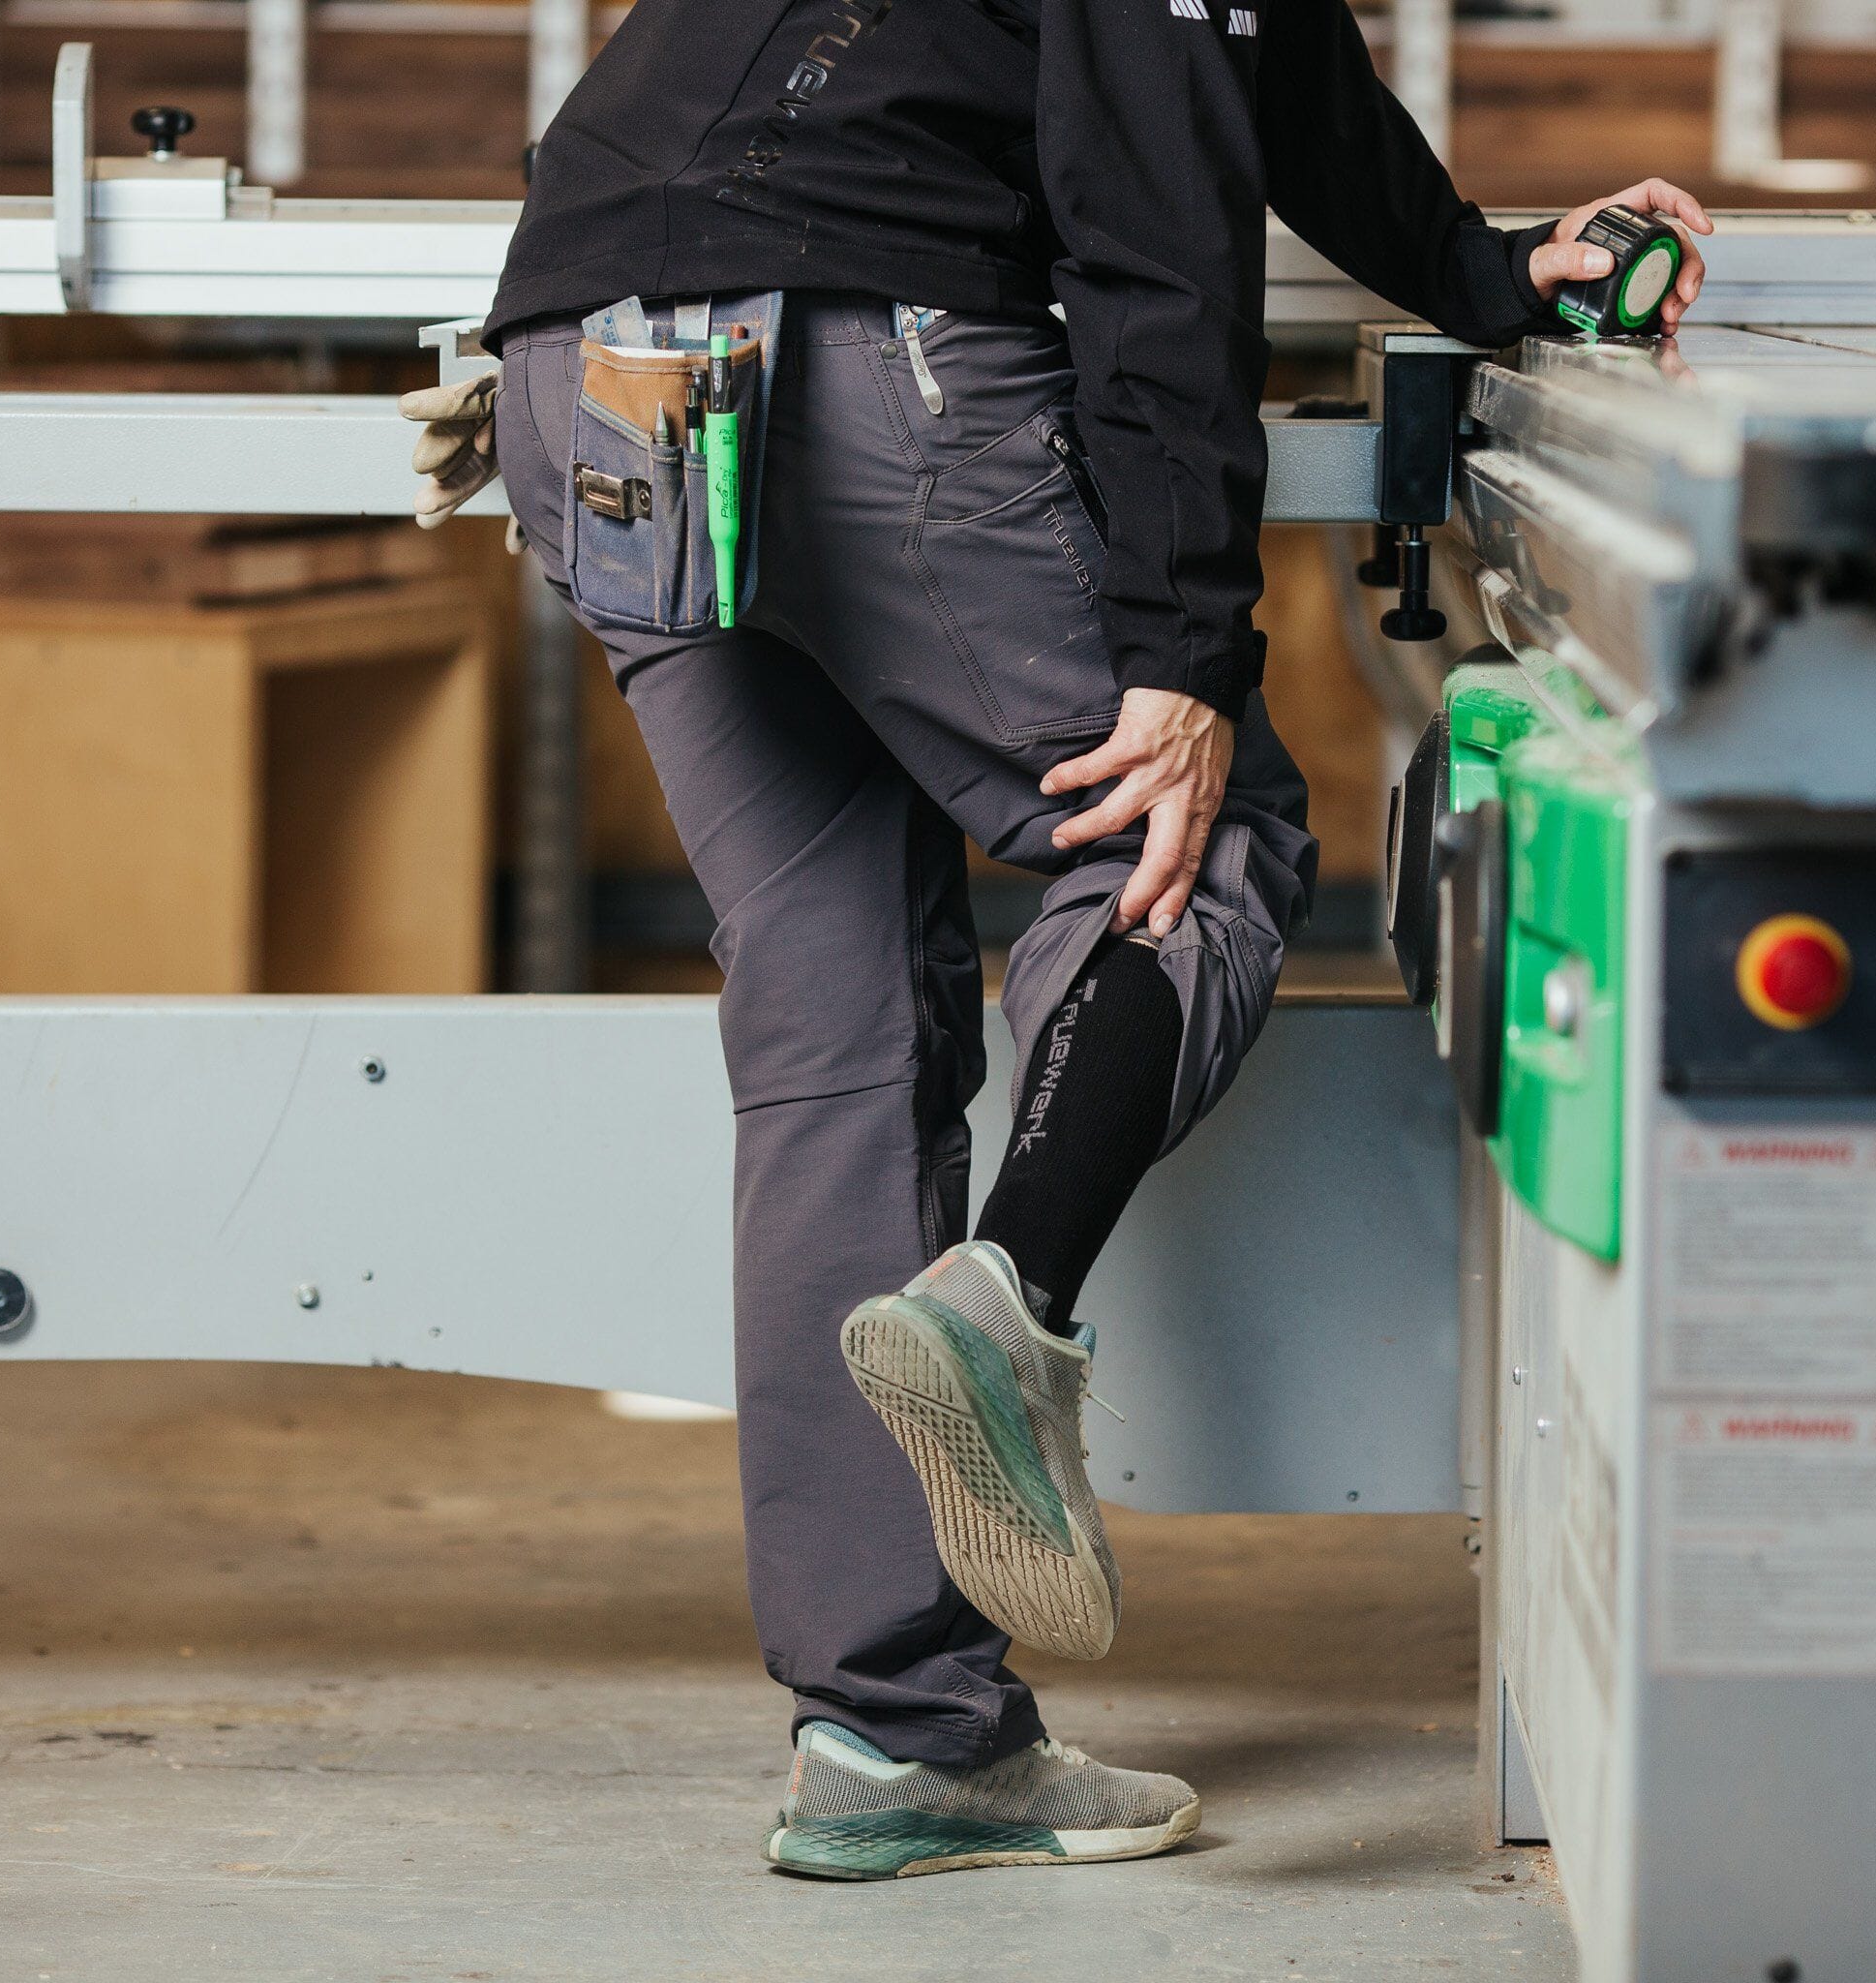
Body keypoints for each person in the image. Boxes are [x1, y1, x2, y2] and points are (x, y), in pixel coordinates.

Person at [408, 0, 1710, 1882]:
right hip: (867, 350)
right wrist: (1184, 650)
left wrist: (1486, 268)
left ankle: (895, 1734)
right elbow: (1164, 218)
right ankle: (1005, 1303)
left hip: (589, 364)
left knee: (836, 1019)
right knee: (1217, 827)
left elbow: (1273, 86)